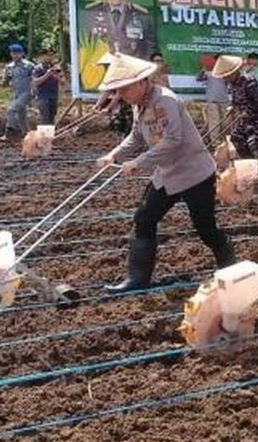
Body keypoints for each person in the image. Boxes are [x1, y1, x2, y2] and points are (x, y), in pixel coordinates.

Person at [96, 54, 236, 292]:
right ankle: (137, 280)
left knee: (205, 228)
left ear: (141, 82)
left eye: (124, 89)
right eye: (118, 90)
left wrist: (139, 162)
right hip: (167, 173)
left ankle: (230, 268)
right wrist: (114, 154)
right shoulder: (138, 104)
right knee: (144, 217)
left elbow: (173, 140)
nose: (121, 95)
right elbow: (137, 136)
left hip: (194, 174)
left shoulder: (166, 100)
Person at [211, 54, 258, 183]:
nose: (225, 78)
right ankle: (252, 169)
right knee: (237, 138)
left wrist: (246, 112)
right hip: (246, 119)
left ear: (234, 72)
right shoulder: (233, 84)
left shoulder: (249, 81)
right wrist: (233, 107)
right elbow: (237, 100)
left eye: (227, 76)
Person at [0, 44, 36, 141]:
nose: (15, 55)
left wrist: (35, 93)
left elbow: (35, 79)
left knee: (11, 109)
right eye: (13, 53)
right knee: (21, 115)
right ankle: (28, 134)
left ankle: (10, 131)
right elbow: (5, 81)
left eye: (17, 53)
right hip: (16, 93)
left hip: (27, 92)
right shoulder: (9, 67)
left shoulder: (29, 66)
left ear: (22, 54)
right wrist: (4, 81)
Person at [196, 54, 231, 140]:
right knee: (214, 123)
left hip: (224, 100)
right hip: (212, 100)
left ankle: (225, 141)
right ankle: (215, 142)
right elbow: (198, 78)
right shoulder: (208, 72)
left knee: (226, 123)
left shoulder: (226, 72)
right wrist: (203, 69)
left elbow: (231, 81)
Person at [31, 48, 62, 126]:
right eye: (48, 55)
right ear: (42, 56)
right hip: (42, 97)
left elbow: (63, 82)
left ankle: (50, 136)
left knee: (52, 118)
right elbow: (35, 82)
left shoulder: (56, 68)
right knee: (45, 118)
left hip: (54, 96)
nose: (50, 57)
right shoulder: (37, 68)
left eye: (52, 55)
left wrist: (57, 76)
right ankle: (44, 136)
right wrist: (47, 74)